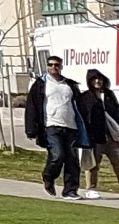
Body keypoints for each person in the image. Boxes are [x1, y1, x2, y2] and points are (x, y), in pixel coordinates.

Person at [22, 54, 87, 199]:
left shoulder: (69, 84)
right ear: (47, 66)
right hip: (51, 125)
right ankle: (48, 177)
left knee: (72, 160)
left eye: (57, 65)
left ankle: (70, 191)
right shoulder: (40, 84)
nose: (53, 67)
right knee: (57, 155)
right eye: (50, 65)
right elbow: (32, 107)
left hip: (71, 126)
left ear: (61, 66)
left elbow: (79, 105)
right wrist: (31, 129)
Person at [78, 67, 119, 199]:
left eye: (99, 79)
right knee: (93, 164)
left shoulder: (109, 95)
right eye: (94, 79)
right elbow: (83, 116)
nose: (97, 81)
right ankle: (91, 188)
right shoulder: (86, 97)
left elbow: (117, 113)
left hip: (111, 136)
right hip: (95, 137)